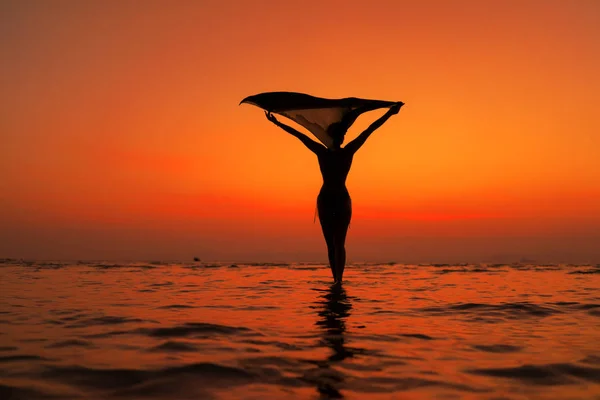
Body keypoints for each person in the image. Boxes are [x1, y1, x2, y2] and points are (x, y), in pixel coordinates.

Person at [266, 102, 403, 284]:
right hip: (331, 200)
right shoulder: (335, 151)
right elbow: (300, 135)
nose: (342, 137)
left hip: (335, 199)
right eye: (340, 135)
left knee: (336, 244)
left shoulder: (331, 151)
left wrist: (389, 114)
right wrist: (278, 123)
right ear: (334, 137)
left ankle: (338, 279)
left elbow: (369, 130)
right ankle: (336, 279)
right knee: (334, 244)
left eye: (342, 135)